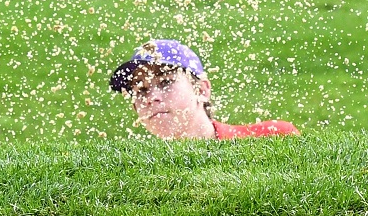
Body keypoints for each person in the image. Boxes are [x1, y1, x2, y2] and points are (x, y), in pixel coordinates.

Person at [109, 39, 300, 140]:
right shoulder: (133, 177)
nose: (152, 98)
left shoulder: (272, 136)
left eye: (165, 82)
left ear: (201, 90)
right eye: (141, 91)